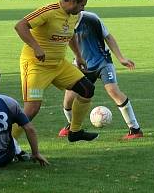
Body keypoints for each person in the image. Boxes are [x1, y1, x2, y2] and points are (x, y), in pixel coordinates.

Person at [13, 0, 98, 145]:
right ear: (73, 1)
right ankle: (6, 141)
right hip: (35, 65)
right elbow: (20, 26)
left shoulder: (73, 15)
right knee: (31, 110)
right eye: (82, 4)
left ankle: (75, 131)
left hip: (59, 66)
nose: (83, 8)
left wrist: (78, 56)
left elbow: (70, 34)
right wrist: (36, 47)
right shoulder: (49, 11)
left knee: (87, 89)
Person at [58, 10, 143, 140]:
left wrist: (121, 58)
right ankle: (72, 127)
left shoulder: (91, 18)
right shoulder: (63, 21)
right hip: (81, 66)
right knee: (68, 99)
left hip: (102, 62)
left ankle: (135, 129)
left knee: (113, 91)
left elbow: (108, 37)